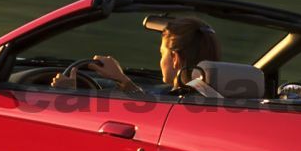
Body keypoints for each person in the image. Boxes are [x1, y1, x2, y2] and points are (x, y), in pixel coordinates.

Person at [50, 16, 221, 94]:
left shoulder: (182, 103)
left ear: (175, 59)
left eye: (162, 54)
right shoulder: (216, 96)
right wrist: (122, 79)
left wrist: (69, 95)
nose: (160, 61)